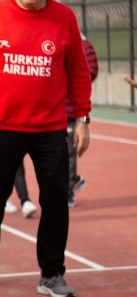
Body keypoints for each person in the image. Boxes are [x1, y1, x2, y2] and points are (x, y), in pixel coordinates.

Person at [0, 0, 92, 297]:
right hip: (3, 127)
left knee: (55, 199)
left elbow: (78, 72)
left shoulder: (64, 17)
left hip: (49, 129)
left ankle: (51, 274)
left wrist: (82, 119)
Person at [65, 33, 98, 208]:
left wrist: (66, 78)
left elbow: (90, 71)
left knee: (69, 151)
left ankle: (69, 189)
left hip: (70, 109)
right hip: (53, 109)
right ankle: (73, 180)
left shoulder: (84, 46)